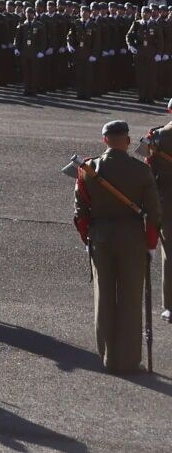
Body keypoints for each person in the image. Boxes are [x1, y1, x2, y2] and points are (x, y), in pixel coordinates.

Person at [73, 119, 164, 372]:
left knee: (103, 298)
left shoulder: (88, 169)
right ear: (126, 141)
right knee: (131, 298)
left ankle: (108, 357)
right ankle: (129, 359)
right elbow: (154, 212)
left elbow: (80, 210)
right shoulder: (141, 170)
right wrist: (151, 244)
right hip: (133, 239)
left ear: (104, 140)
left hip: (100, 237)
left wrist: (87, 239)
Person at [147, 104, 172, 324]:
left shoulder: (158, 137)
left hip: (168, 200)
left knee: (170, 254)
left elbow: (150, 172)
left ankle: (171, 306)